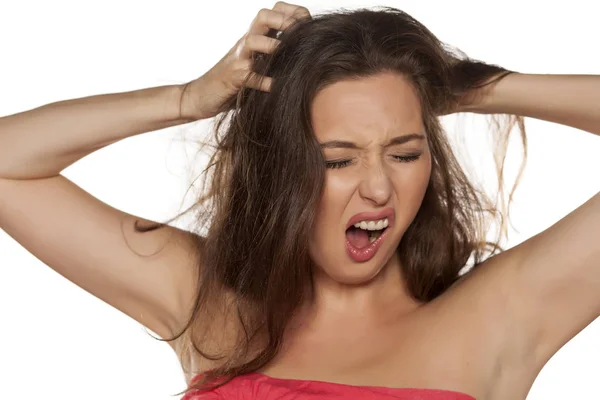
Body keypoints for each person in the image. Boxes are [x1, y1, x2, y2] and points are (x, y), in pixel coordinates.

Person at [0, 2, 598, 399]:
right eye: (338, 160)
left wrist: (470, 86)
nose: (379, 187)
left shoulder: (501, 314)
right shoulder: (206, 300)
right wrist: (187, 99)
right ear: (280, 169)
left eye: (406, 153)